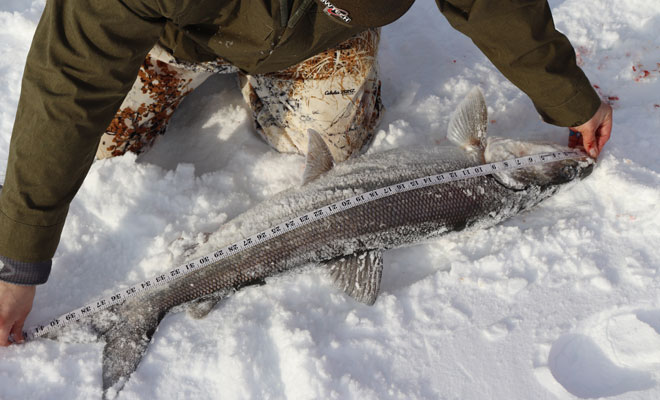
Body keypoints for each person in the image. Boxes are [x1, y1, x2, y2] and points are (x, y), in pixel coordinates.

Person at [0, 0, 612, 346]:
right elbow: (72, 78)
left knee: (323, 140)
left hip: (321, 36)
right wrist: (17, 259)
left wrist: (566, 97)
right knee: (105, 140)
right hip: (170, 32)